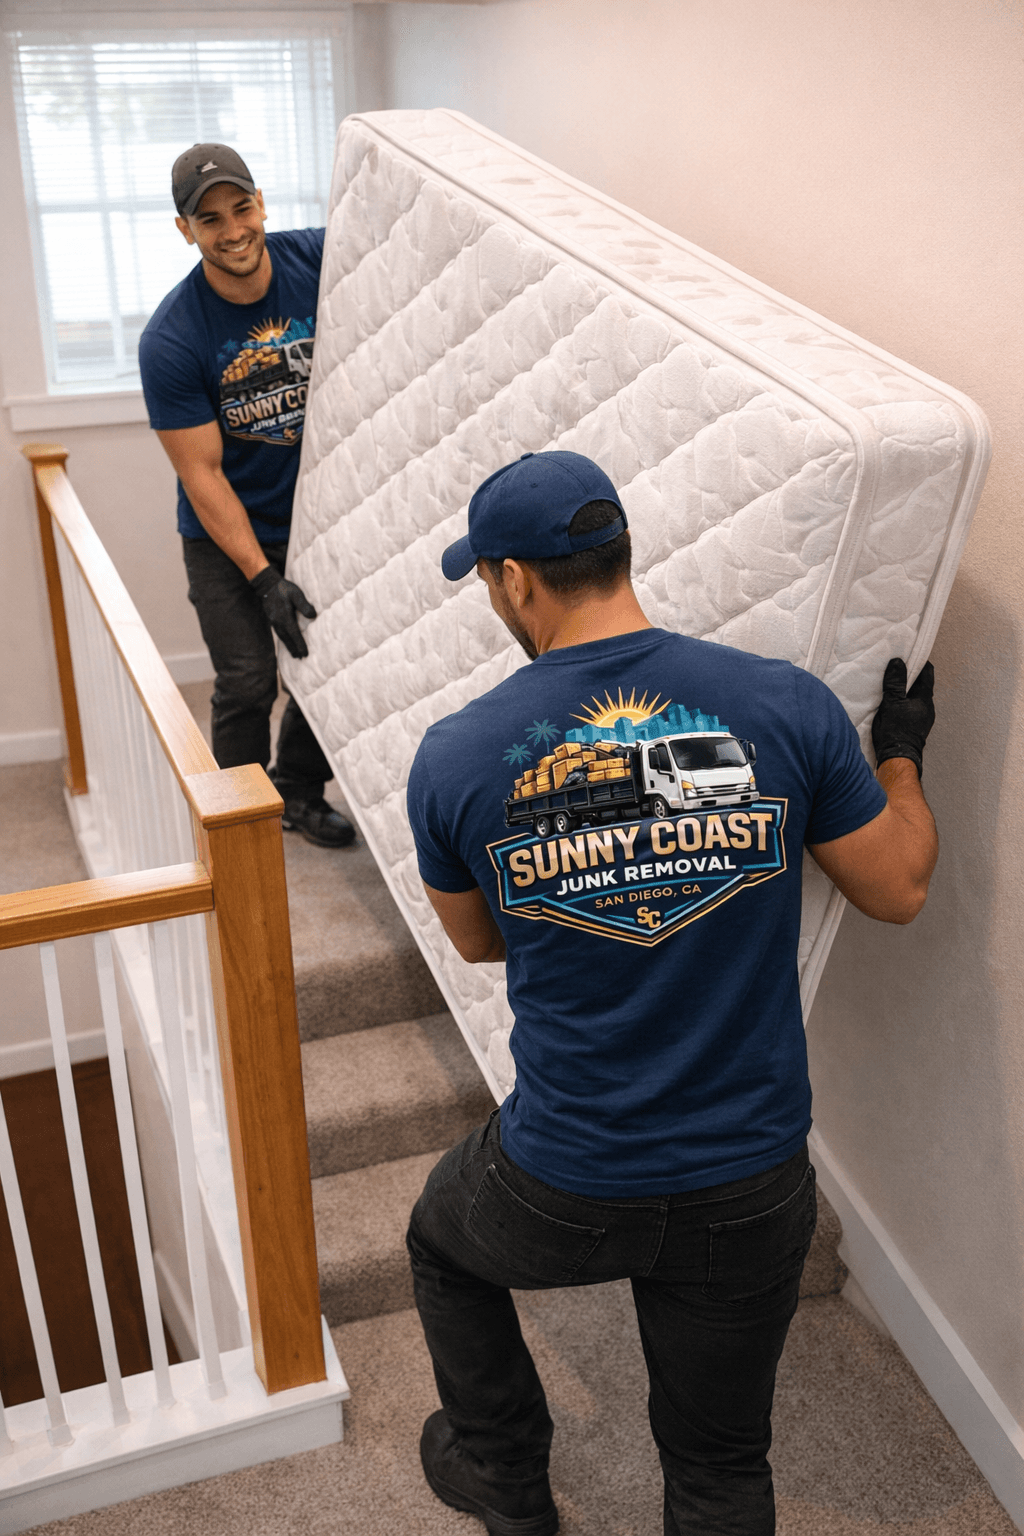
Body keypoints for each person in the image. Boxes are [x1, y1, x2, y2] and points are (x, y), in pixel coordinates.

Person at [404, 450, 938, 1536]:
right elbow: (899, 889)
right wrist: (898, 761)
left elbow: (474, 944)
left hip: (564, 1173)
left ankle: (505, 1482)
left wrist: (592, 868)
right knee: (720, 1465)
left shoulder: (457, 757)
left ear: (513, 581)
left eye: (489, 583)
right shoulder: (783, 706)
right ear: (618, 554)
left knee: (440, 1245)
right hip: (748, 1178)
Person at [139, 143, 353, 847]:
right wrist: (262, 578)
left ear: (260, 202)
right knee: (247, 682)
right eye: (210, 219)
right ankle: (237, 831)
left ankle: (294, 790)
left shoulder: (315, 258)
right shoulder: (172, 338)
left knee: (327, 666)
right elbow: (201, 476)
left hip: (317, 516)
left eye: (242, 208)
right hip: (225, 531)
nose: (233, 230)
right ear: (185, 231)